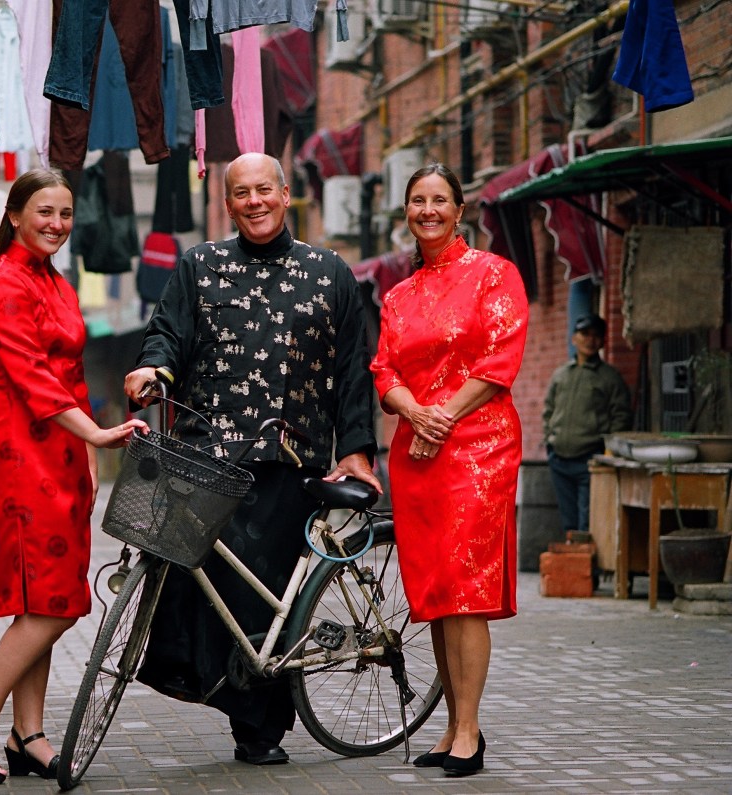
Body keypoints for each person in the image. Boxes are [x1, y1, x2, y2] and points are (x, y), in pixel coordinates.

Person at [123, 152, 380, 766]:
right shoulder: (200, 266)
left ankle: (259, 728)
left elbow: (353, 369)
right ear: (228, 203)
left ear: (286, 195)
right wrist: (152, 369)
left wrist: (357, 451)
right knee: (195, 583)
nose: (255, 201)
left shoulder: (329, 272)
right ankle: (200, 681)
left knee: (265, 597)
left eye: (265, 189)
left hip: (292, 459)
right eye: (242, 193)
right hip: (207, 452)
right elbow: (168, 335)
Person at [0, 169, 148, 785]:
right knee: (55, 602)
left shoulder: (55, 282)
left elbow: (72, 377)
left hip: (60, 453)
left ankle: (26, 735)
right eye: (44, 212)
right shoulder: (0, 285)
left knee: (43, 600)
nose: (57, 224)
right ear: (14, 215)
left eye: (65, 214)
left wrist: (84, 452)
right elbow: (32, 377)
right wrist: (97, 434)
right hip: (18, 457)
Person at [370, 163, 528, 778]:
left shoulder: (495, 274)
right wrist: (415, 413)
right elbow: (384, 370)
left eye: (440, 200)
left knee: (466, 590)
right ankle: (451, 725)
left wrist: (440, 418)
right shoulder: (398, 295)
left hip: (478, 448)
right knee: (436, 593)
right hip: (416, 453)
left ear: (460, 210)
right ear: (406, 212)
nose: (428, 210)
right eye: (418, 200)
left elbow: (499, 358)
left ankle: (470, 730)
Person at [543, 314, 633, 535]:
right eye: (585, 334)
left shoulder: (609, 377)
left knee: (588, 520)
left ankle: (587, 556)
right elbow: (548, 410)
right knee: (568, 520)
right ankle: (572, 554)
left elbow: (621, 416)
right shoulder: (561, 374)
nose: (590, 340)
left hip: (590, 459)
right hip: (559, 459)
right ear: (574, 338)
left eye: (596, 336)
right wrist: (550, 442)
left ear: (603, 342)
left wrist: (607, 450)